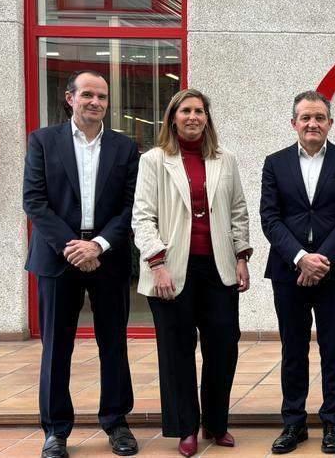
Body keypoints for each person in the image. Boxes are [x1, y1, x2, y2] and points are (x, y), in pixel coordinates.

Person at [23, 69, 140, 458]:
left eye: (102, 96)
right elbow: (34, 200)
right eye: (88, 94)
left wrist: (99, 245)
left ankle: (116, 422)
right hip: (58, 257)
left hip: (108, 256)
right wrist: (73, 246)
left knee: (114, 343)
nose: (96, 102)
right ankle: (55, 431)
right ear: (70, 98)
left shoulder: (125, 148)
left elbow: (131, 206)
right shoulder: (43, 141)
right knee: (57, 346)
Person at [131, 89, 252, 457]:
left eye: (200, 111)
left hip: (217, 268)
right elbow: (142, 216)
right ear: (173, 117)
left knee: (223, 348)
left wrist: (242, 256)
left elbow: (238, 210)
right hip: (171, 269)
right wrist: (157, 263)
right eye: (186, 110)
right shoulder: (154, 160)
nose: (193, 116)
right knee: (177, 351)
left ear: (207, 118)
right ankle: (186, 428)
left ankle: (216, 423)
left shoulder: (224, 159)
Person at [261, 91, 335, 455]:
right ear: (293, 123)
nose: (312, 124)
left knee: (333, 348)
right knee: (293, 349)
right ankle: (294, 423)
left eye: (319, 117)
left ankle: (332, 423)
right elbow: (269, 218)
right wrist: (301, 258)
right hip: (288, 272)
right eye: (305, 118)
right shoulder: (275, 163)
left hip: (334, 273)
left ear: (330, 123)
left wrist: (319, 261)